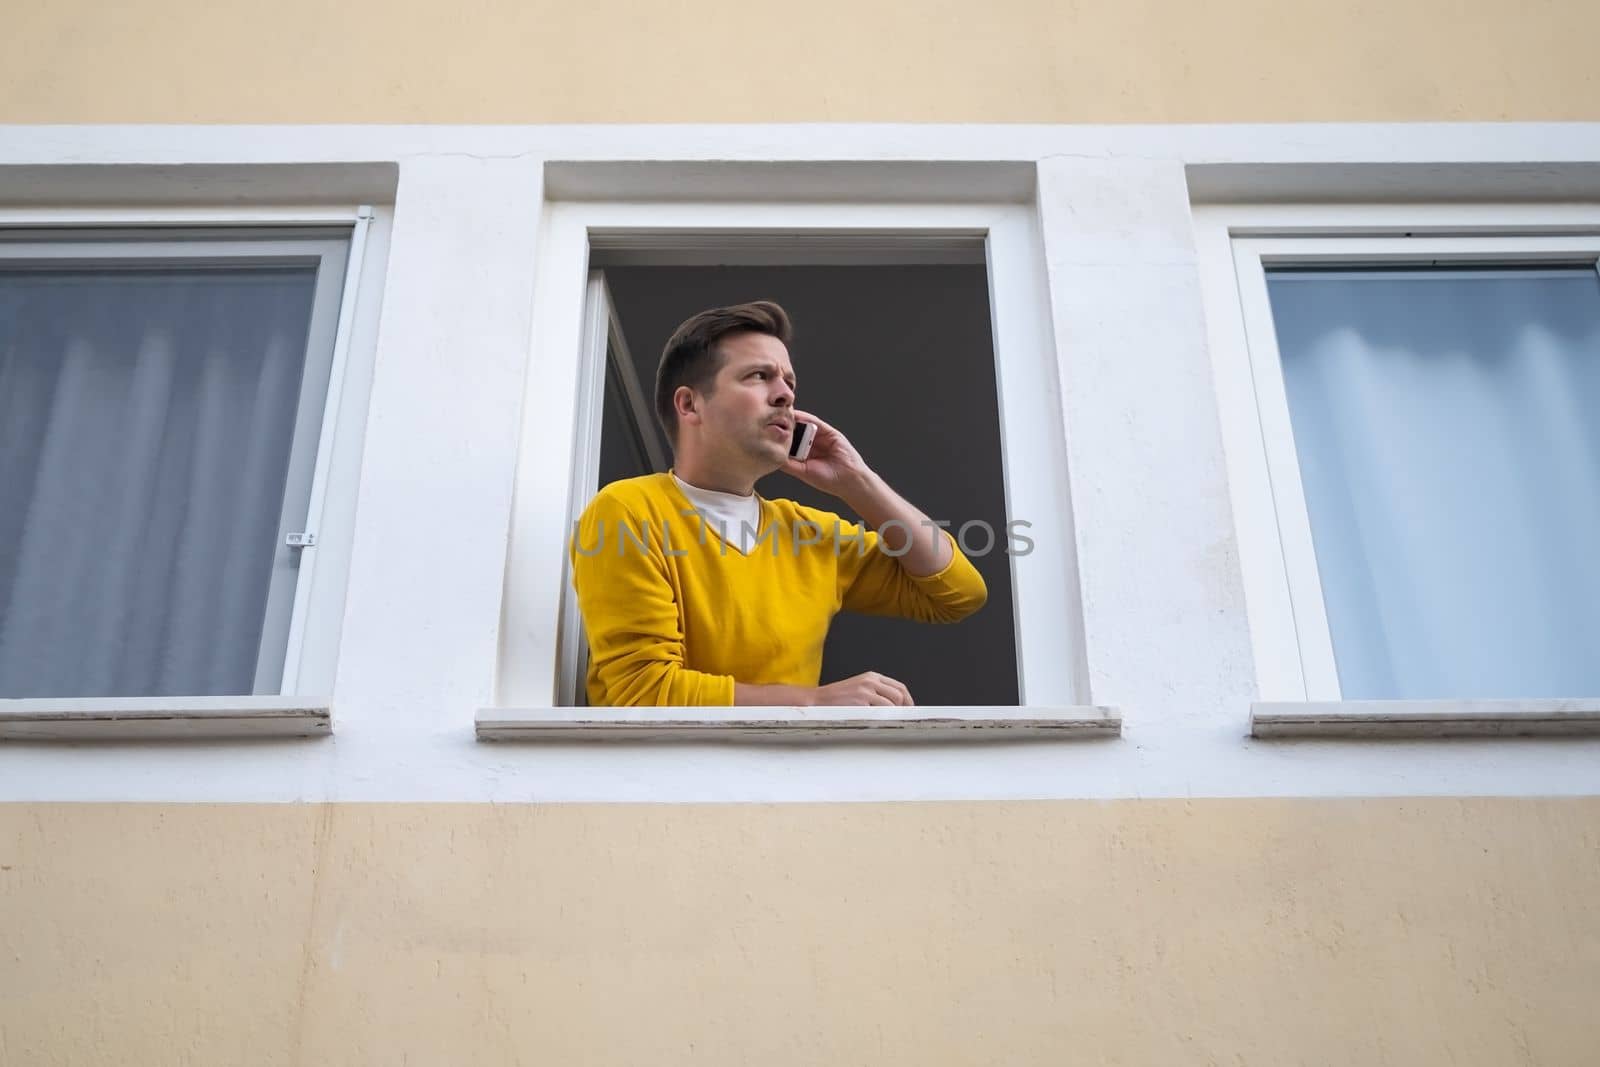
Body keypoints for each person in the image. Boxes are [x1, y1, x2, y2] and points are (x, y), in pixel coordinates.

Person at [568, 300, 987, 707]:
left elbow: (957, 595)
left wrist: (858, 483)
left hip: (787, 776)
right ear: (689, 404)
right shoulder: (627, 510)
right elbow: (642, 693)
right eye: (758, 376)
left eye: (789, 382)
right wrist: (815, 702)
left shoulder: (807, 531)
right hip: (666, 776)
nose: (785, 395)